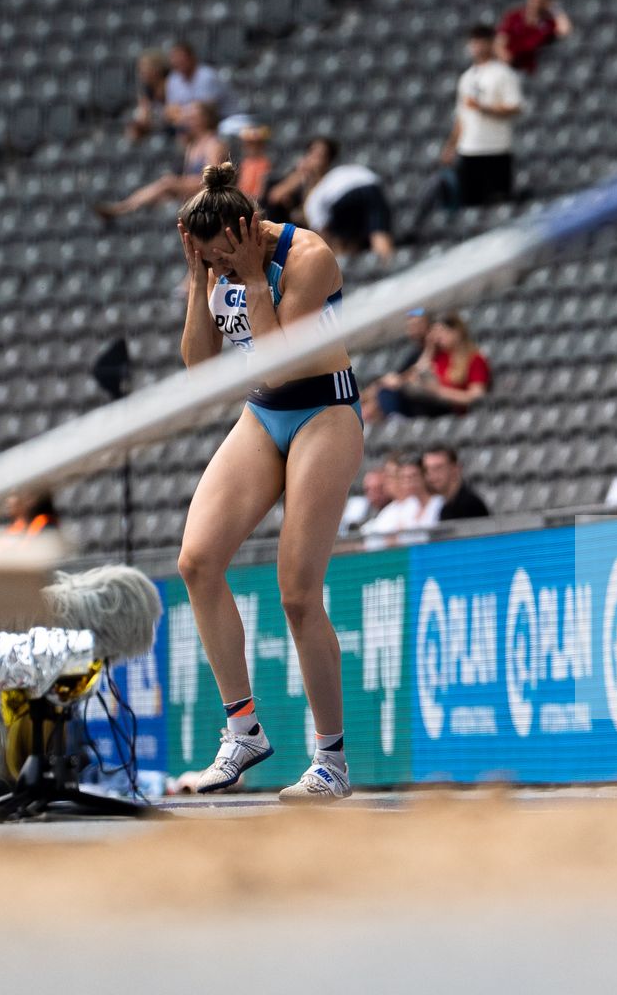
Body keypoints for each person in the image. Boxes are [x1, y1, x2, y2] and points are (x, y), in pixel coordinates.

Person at [175, 162, 364, 801]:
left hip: (323, 410)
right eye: (211, 264)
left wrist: (253, 280)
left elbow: (284, 366)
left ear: (246, 229)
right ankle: (243, 731)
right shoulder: (216, 262)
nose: (220, 272)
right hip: (263, 411)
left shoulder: (308, 257)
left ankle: (331, 761)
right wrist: (198, 276)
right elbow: (201, 368)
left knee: (298, 594)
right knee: (197, 561)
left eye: (223, 257)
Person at [93, 102, 230, 222]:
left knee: (167, 182)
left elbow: (214, 180)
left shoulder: (213, 144)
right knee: (162, 197)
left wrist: (177, 184)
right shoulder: (192, 145)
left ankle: (122, 208)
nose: (187, 121)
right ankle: (127, 209)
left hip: (206, 191)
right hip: (191, 193)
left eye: (192, 118)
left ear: (204, 120)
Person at [449, 22, 524, 206]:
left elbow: (514, 107)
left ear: (491, 43)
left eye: (481, 42)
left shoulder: (502, 74)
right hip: (469, 149)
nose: (476, 47)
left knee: (498, 202)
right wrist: (452, 145)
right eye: (473, 42)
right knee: (470, 202)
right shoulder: (466, 77)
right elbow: (462, 115)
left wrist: (484, 107)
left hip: (495, 148)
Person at [374, 313, 490, 419]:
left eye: (441, 332)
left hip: (451, 408)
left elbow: (476, 396)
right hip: (430, 403)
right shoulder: (439, 357)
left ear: (455, 332)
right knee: (388, 390)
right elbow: (418, 369)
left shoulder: (474, 359)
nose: (438, 338)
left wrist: (439, 391)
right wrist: (430, 347)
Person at [302, 145, 397, 263]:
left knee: (339, 243)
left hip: (344, 196)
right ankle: (386, 263)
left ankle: (342, 268)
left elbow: (322, 235)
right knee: (378, 232)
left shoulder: (313, 198)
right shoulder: (339, 172)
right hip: (372, 186)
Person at [361, 310, 433, 423]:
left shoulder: (434, 350)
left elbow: (418, 370)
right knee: (379, 389)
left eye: (417, 324)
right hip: (411, 397)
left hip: (426, 401)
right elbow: (401, 375)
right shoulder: (414, 353)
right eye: (411, 326)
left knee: (385, 391)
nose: (413, 330)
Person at [497, 0, 574, 74]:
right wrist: (506, 58)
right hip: (510, 67)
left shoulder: (548, 23)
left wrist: (554, 7)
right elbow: (500, 43)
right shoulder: (514, 17)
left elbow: (565, 30)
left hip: (533, 70)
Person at [363, 455, 443, 534]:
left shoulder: (439, 503)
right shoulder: (408, 506)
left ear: (423, 476)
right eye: (405, 477)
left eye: (413, 476)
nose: (409, 482)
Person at [164, 41, 234, 130]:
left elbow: (207, 110)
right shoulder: (173, 79)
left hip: (222, 121)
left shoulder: (207, 76)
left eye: (180, 57)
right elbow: (171, 110)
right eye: (174, 58)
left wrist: (182, 114)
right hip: (188, 123)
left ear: (192, 57)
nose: (177, 61)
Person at [424, 446, 490, 522]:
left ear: (455, 468)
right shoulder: (444, 508)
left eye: (438, 468)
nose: (432, 475)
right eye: (427, 469)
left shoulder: (469, 505)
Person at [125, 51, 171, 143]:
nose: (141, 72)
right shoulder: (145, 89)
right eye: (139, 69)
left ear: (157, 68)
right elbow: (143, 113)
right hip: (157, 128)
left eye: (144, 67)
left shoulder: (172, 85)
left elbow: (173, 114)